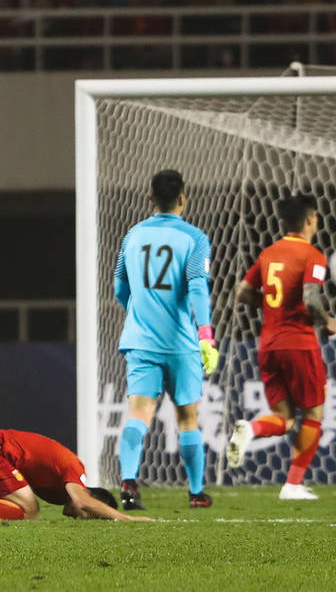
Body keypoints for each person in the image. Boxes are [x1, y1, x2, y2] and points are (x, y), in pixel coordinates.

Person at [113, 169, 218, 510]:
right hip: (180, 342)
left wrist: (140, 311)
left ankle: (129, 482)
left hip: (140, 339)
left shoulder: (132, 235)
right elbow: (198, 286)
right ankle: (196, 492)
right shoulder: (195, 238)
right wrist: (206, 335)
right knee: (187, 416)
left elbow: (119, 285)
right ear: (183, 198)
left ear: (151, 199)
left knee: (138, 414)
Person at [227, 194, 336, 500]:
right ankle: (293, 484)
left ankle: (251, 429)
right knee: (314, 411)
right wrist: (326, 320)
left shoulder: (268, 253)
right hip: (299, 343)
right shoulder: (312, 255)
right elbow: (312, 297)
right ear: (311, 219)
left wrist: (271, 308)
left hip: (268, 344)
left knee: (284, 418)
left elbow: (242, 291)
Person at [0, 429, 153, 522]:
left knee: (6, 507)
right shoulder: (76, 468)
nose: (80, 517)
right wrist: (128, 519)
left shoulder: (58, 489)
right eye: (88, 516)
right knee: (31, 510)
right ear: (94, 498)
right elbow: (83, 501)